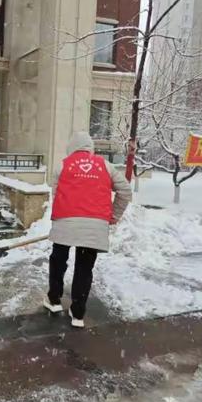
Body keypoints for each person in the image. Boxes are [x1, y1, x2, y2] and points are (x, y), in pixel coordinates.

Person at [43, 131, 132, 328]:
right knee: (84, 268)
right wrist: (113, 216)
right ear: (90, 147)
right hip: (95, 225)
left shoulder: (62, 165)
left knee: (58, 260)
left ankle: (54, 300)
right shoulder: (106, 166)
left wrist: (63, 216)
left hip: (65, 221)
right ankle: (78, 313)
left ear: (71, 147)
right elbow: (125, 191)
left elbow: (56, 194)